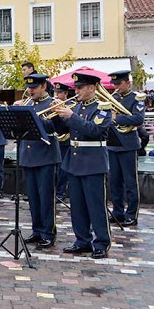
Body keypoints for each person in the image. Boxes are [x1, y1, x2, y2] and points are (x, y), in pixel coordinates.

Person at [53, 72, 112, 259]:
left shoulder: (102, 109)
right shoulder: (76, 107)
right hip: (75, 162)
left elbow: (95, 131)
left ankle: (101, 242)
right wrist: (56, 114)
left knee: (96, 206)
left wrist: (71, 116)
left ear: (92, 88)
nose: (76, 91)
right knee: (77, 206)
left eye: (80, 88)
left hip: (93, 162)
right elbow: (63, 130)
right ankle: (82, 240)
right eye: (75, 88)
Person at [18, 74, 60, 249]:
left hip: (46, 156)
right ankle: (36, 230)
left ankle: (48, 233)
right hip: (29, 156)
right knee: (33, 197)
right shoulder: (27, 104)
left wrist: (35, 120)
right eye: (29, 87)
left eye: (34, 87)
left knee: (46, 197)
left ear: (44, 86)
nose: (31, 90)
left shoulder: (53, 104)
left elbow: (55, 127)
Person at [107, 70, 145, 226]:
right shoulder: (113, 98)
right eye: (114, 84)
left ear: (128, 83)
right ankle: (118, 212)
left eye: (119, 83)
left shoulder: (136, 98)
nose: (116, 87)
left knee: (130, 182)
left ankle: (132, 214)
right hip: (113, 144)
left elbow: (138, 118)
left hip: (128, 145)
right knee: (114, 182)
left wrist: (117, 118)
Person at [53, 82, 72, 200]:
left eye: (59, 93)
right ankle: (54, 191)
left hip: (66, 141)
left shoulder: (71, 105)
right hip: (55, 140)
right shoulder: (52, 104)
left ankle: (60, 193)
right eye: (56, 92)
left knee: (62, 169)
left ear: (65, 94)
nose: (57, 94)